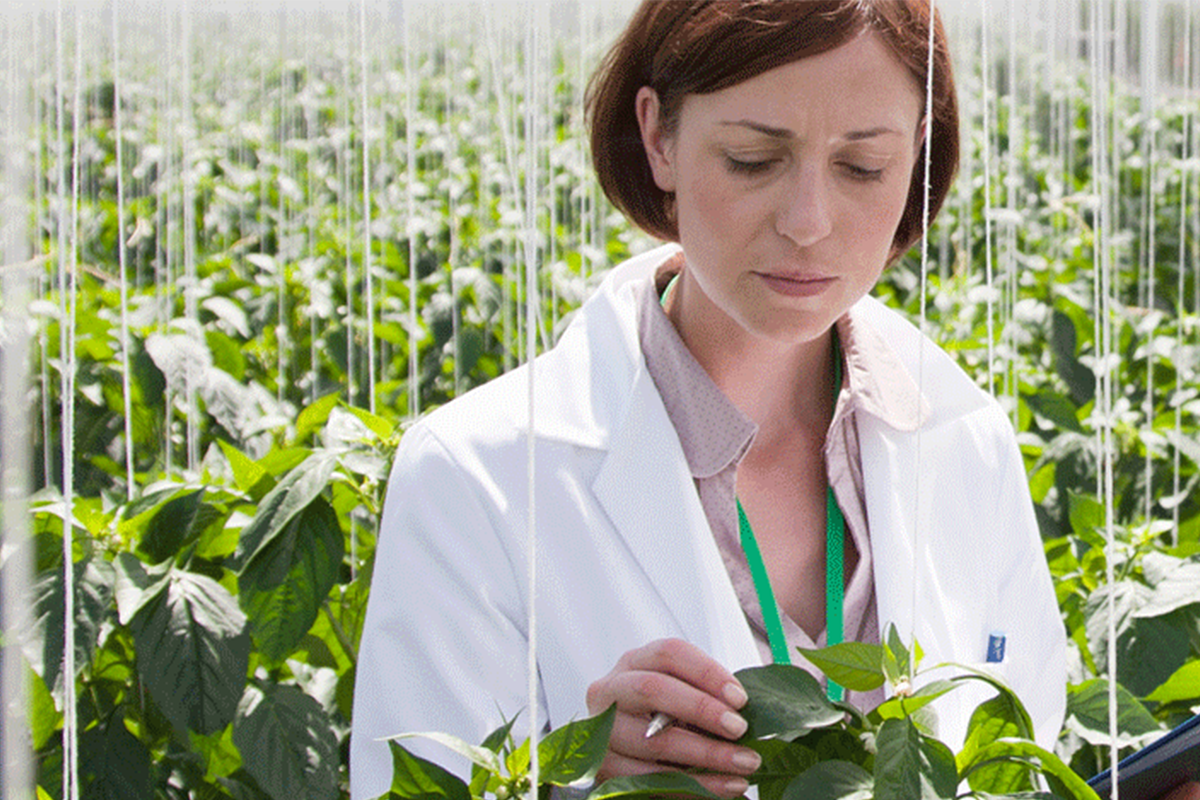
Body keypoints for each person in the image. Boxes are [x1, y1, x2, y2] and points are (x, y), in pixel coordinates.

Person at [349, 3, 1200, 800]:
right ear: (658, 137)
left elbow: (1019, 754)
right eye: (753, 159)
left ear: (917, 155)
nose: (808, 220)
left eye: (863, 166)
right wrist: (567, 777)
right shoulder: (478, 480)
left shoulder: (963, 438)